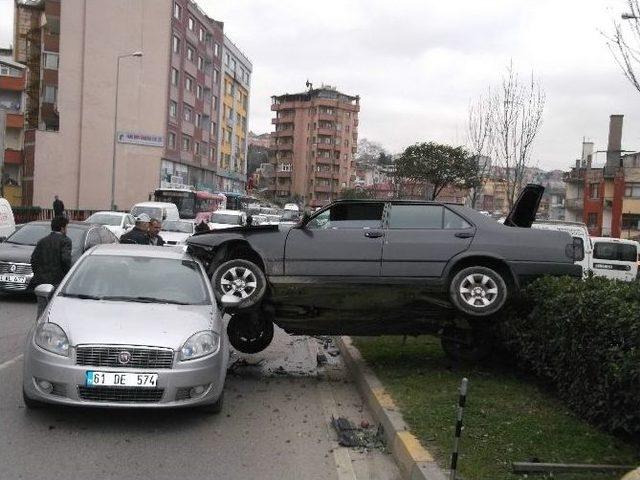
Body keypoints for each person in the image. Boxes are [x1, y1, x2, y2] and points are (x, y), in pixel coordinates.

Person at [31, 216, 72, 316]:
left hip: (41, 282)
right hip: (58, 282)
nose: (67, 230)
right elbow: (66, 260)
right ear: (62, 228)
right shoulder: (65, 241)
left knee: (42, 309)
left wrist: (39, 275)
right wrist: (68, 277)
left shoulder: (42, 241)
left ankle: (39, 329)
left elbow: (33, 260)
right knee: (55, 310)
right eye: (66, 227)